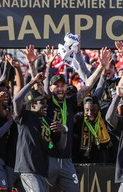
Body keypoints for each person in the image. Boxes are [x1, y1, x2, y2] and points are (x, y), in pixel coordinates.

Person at [43, 46, 111, 191]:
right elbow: (43, 89)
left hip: (67, 160)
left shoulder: (71, 103)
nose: (60, 89)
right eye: (56, 86)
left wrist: (101, 67)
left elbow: (87, 86)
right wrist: (49, 65)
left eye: (62, 86)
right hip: (49, 158)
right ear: (51, 88)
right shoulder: (47, 102)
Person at [13, 72, 67, 192]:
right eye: (41, 102)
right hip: (28, 169)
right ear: (32, 105)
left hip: (43, 170)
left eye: (46, 102)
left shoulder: (47, 121)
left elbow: (61, 147)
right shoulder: (26, 117)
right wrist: (32, 82)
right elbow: (16, 100)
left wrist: (64, 132)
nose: (46, 105)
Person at [73, 96, 111, 163]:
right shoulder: (79, 117)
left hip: (100, 159)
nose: (90, 113)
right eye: (87, 110)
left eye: (93, 110)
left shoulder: (104, 117)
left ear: (99, 108)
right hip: (81, 159)